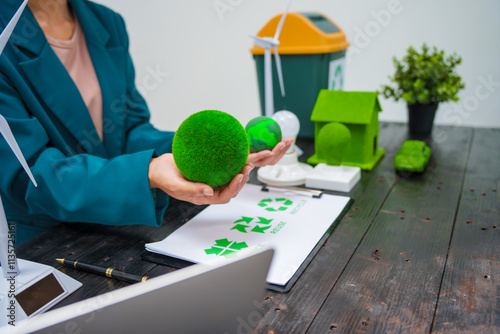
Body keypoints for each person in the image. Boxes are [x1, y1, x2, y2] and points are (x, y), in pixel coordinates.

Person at [0, 0, 293, 245]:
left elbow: (129, 131)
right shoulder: (6, 34)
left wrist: (215, 149)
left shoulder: (106, 22)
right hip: (41, 246)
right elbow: (29, 175)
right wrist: (147, 173)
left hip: (118, 231)